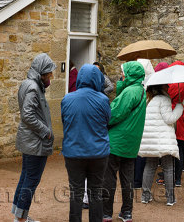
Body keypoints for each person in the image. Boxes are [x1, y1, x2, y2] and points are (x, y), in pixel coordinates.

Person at [61, 64, 111, 222]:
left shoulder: (67, 98)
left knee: (76, 192)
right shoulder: (103, 100)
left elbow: (64, 121)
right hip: (98, 153)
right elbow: (107, 121)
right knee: (95, 192)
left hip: (73, 151)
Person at [12, 53, 57, 222]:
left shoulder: (29, 84)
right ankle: (21, 219)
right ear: (42, 73)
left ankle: (19, 215)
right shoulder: (33, 87)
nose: (51, 77)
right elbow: (28, 115)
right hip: (35, 143)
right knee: (31, 180)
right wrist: (45, 131)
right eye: (49, 74)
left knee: (26, 177)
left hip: (30, 142)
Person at [102, 61, 147, 222]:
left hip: (117, 141)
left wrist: (102, 121)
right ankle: (126, 212)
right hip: (130, 143)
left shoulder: (130, 92)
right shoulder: (139, 90)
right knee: (127, 179)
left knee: (109, 178)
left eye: (123, 72)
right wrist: (122, 86)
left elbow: (116, 113)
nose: (121, 74)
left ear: (129, 74)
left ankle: (106, 213)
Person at [138, 84, 184, 206]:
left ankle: (145, 196)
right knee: (168, 167)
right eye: (166, 85)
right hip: (163, 139)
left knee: (150, 166)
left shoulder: (148, 100)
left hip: (150, 139)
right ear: (161, 87)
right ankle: (170, 198)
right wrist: (179, 107)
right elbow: (169, 119)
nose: (168, 87)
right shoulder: (164, 99)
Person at [168, 61, 184, 187]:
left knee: (174, 148)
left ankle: (173, 177)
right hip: (182, 118)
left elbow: (168, 96)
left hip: (174, 117)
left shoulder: (175, 85)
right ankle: (178, 178)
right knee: (180, 148)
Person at [133, 59, 155, 189]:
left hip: (139, 121)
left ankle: (136, 180)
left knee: (138, 152)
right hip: (146, 122)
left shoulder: (136, 85)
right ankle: (137, 180)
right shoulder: (151, 84)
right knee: (141, 153)